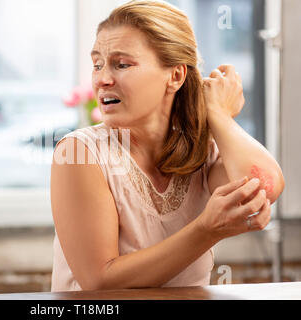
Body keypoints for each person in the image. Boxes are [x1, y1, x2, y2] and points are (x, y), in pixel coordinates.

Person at [50, 0, 285, 291]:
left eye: (121, 64)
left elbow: (265, 187)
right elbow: (100, 281)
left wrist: (220, 117)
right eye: (97, 64)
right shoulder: (79, 153)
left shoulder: (202, 153)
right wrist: (206, 231)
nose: (102, 79)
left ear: (175, 76)